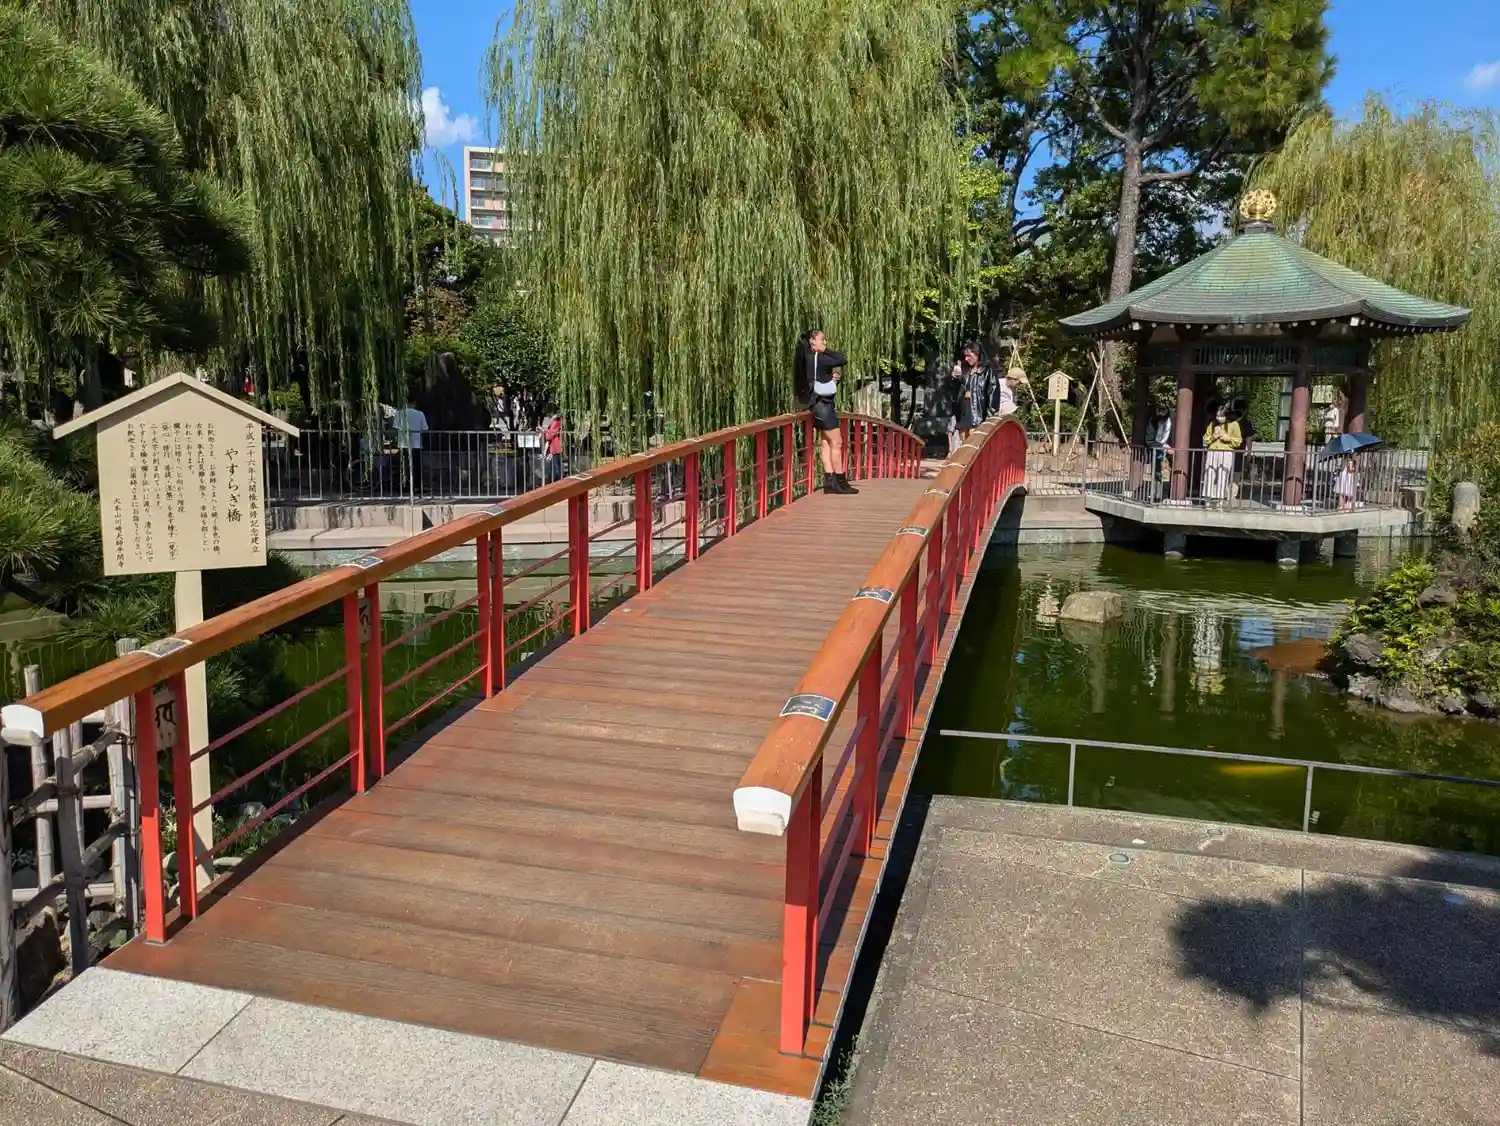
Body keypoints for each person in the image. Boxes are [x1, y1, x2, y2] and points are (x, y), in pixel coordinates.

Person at [795, 329, 857, 494]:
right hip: (824, 406)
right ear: (812, 341)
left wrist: (832, 378)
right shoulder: (820, 358)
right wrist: (825, 350)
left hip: (817, 404)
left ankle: (829, 482)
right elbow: (841, 358)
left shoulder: (809, 358)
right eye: (822, 340)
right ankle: (841, 482)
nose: (825, 342)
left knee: (826, 442)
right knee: (837, 442)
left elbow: (817, 377)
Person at [1201, 403, 1241, 506]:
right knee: (1209, 473)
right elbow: (1205, 439)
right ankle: (1207, 498)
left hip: (1226, 452)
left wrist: (1227, 438)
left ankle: (1220, 499)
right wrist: (1213, 437)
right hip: (1212, 451)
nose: (1219, 418)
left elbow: (1238, 441)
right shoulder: (1212, 424)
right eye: (1217, 416)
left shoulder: (1234, 424)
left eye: (1221, 416)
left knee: (1223, 475)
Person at [393, 393, 428, 492]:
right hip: (416, 444)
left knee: (403, 466)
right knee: (416, 467)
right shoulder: (420, 414)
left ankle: (403, 486)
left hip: (403, 444)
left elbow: (396, 429)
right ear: (415, 403)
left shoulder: (399, 414)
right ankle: (417, 487)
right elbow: (425, 429)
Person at [542, 411, 564, 483]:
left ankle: (555, 484)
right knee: (555, 468)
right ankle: (555, 483)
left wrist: (545, 432)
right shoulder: (558, 424)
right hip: (556, 448)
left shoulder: (555, 423)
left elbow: (549, 436)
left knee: (556, 469)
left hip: (555, 448)